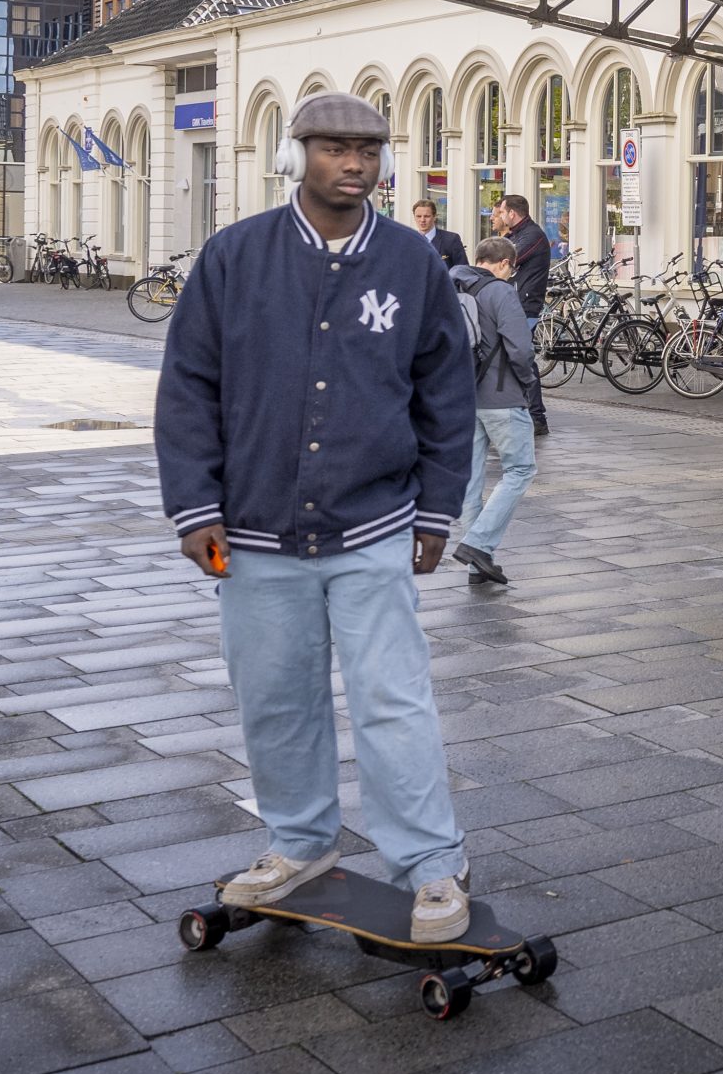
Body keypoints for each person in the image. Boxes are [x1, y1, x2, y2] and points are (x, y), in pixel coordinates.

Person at [154, 91, 478, 942]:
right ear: (299, 155)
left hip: (373, 524)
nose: (355, 165)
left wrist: (438, 511)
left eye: (369, 151)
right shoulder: (234, 257)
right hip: (254, 534)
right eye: (337, 149)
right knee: (276, 699)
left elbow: (448, 393)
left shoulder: (412, 264)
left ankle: (432, 865)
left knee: (392, 701)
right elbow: (188, 387)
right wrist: (195, 508)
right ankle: (299, 843)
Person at [449, 235, 538, 585]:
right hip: (501, 396)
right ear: (504, 263)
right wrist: (528, 381)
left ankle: (477, 567)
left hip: (462, 397)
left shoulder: (454, 286)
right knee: (520, 470)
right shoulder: (501, 291)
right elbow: (519, 347)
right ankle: (477, 545)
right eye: (511, 268)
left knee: (471, 482)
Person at [493, 194, 553, 437]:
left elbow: (504, 262)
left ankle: (537, 417)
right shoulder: (516, 234)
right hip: (514, 304)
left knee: (522, 359)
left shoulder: (531, 236)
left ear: (512, 213)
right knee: (512, 358)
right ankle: (523, 413)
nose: (498, 216)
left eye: (501, 212)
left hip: (525, 305)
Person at [412, 199, 466, 269]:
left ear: (434, 217)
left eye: (427, 216)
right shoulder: (410, 241)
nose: (422, 220)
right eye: (419, 216)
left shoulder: (451, 240)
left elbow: (463, 271)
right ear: (414, 217)